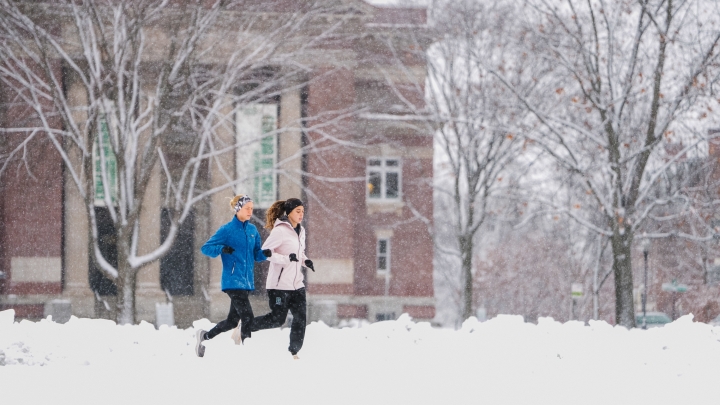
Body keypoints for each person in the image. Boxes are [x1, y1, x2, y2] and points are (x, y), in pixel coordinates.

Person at [194, 194, 270, 358]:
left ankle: (205, 336)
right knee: (248, 316)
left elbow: (256, 254)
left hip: (247, 282)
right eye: (247, 208)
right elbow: (206, 248)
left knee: (232, 321)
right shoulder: (227, 230)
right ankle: (246, 352)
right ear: (238, 209)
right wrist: (221, 248)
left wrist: (265, 253)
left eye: (252, 207)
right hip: (233, 281)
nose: (251, 211)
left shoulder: (252, 230)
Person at [250, 198, 314, 359]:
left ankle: (294, 352)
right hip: (279, 286)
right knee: (277, 320)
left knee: (300, 318)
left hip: (296, 284)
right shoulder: (279, 231)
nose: (301, 215)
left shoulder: (301, 231)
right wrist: (286, 259)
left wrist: (305, 261)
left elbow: (298, 254)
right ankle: (246, 326)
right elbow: (264, 252)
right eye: (298, 211)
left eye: (303, 212)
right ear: (289, 212)